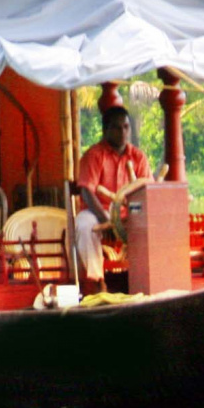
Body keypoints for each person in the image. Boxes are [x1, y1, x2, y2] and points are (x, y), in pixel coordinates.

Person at [73, 105, 152, 287]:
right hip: (98, 213)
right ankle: (98, 280)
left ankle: (145, 278)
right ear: (105, 130)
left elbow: (147, 190)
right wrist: (107, 220)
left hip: (131, 212)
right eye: (117, 127)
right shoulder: (94, 155)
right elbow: (86, 190)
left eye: (126, 127)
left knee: (153, 226)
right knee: (84, 226)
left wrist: (132, 216)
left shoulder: (138, 157)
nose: (122, 132)